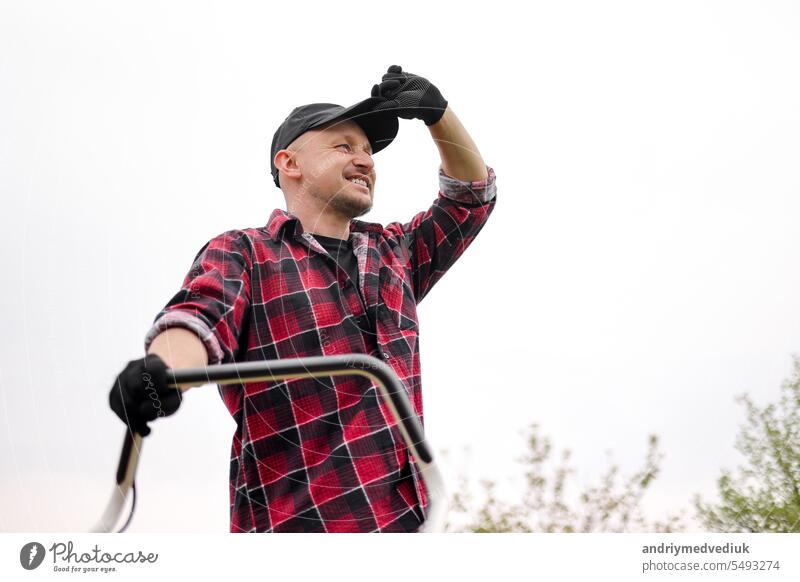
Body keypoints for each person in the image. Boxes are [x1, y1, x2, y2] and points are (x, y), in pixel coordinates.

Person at [109, 65, 497, 532]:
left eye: (369, 151)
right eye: (344, 146)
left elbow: (470, 199)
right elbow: (197, 319)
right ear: (289, 164)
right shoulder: (246, 252)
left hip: (412, 527)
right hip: (296, 527)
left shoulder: (396, 253)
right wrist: (160, 373)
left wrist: (440, 114)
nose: (366, 161)